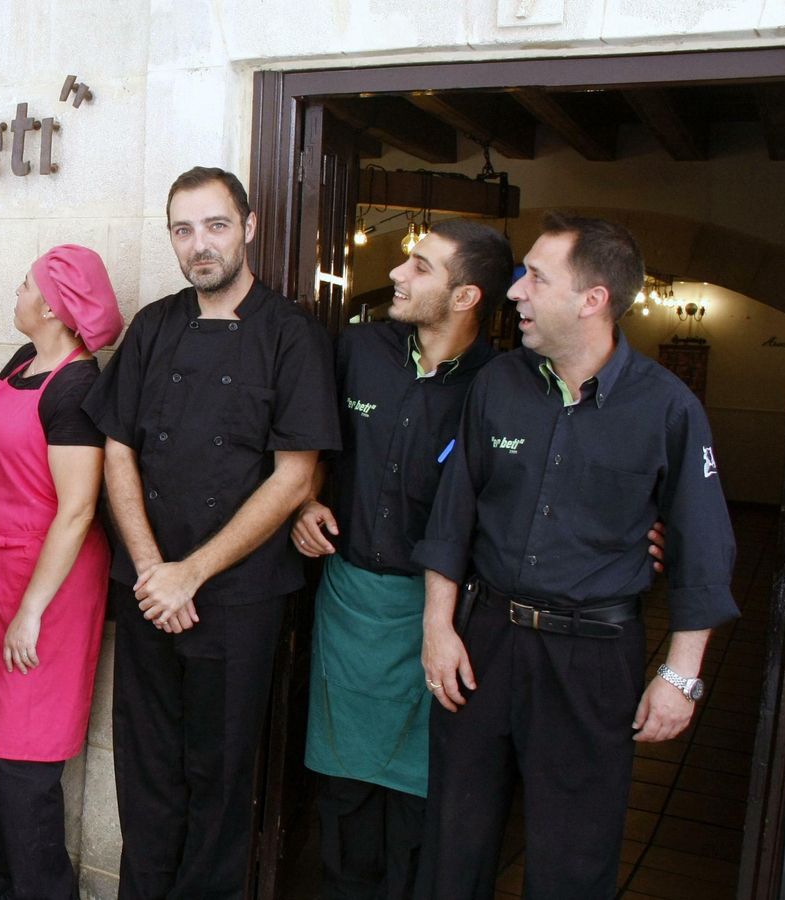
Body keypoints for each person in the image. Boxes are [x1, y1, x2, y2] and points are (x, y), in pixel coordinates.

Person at [413, 213, 738, 898]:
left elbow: (703, 548)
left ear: (592, 299)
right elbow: (453, 515)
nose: (515, 291)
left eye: (536, 277)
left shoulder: (668, 408)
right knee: (453, 841)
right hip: (483, 642)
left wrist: (681, 676)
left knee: (573, 858)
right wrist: (438, 626)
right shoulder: (497, 384)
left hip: (592, 657)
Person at [81, 165, 339, 898]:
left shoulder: (292, 335)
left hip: (237, 599)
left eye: (216, 225)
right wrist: (151, 569)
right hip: (148, 590)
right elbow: (118, 448)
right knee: (145, 773)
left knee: (221, 780)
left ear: (248, 227)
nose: (200, 244)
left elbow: (294, 476)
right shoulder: (154, 326)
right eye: (183, 230)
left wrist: (189, 573)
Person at [290, 220, 512, 899]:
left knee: (421, 803)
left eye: (420, 266)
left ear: (465, 296)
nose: (397, 274)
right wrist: (304, 500)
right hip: (348, 603)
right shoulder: (358, 349)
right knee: (343, 793)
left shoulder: (502, 384)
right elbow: (313, 446)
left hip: (442, 618)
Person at [0, 244, 121, 900]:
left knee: (27, 749)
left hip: (50, 586)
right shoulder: (22, 361)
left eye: (25, 284)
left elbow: (78, 509)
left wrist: (32, 610)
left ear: (54, 307)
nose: (16, 293)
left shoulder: (77, 387)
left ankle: (43, 889)